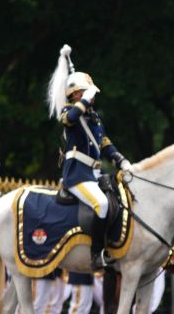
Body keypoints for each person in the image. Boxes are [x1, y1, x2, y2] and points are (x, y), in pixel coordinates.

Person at [48, 45, 131, 271]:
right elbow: (70, 119)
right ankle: (96, 254)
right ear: (75, 94)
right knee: (101, 203)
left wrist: (121, 160)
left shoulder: (94, 118)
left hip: (94, 173)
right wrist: (84, 100)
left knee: (119, 200)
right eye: (85, 94)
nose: (92, 99)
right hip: (76, 174)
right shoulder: (69, 111)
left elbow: (104, 143)